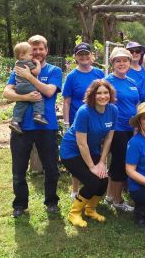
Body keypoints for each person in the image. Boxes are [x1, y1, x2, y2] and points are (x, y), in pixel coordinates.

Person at [3, 35, 62, 218]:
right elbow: (7, 92)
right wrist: (25, 98)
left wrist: (29, 77)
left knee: (51, 169)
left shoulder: (54, 70)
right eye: (33, 49)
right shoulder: (19, 67)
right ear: (28, 51)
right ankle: (20, 204)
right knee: (18, 171)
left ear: (46, 50)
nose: (37, 52)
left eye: (40, 48)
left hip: (46, 127)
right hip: (21, 129)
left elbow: (49, 91)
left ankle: (51, 201)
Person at [60, 79, 118, 227]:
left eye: (106, 92)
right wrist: (92, 167)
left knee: (103, 180)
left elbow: (109, 138)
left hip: (91, 150)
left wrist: (101, 163)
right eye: (99, 93)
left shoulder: (113, 110)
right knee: (92, 181)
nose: (103, 96)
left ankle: (90, 209)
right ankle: (74, 213)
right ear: (92, 95)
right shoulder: (84, 112)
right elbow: (81, 143)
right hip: (71, 151)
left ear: (110, 94)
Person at [62, 42, 105, 200]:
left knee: (94, 152)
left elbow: (105, 95)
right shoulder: (72, 76)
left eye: (87, 54)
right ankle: (75, 189)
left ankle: (94, 184)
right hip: (77, 121)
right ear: (76, 57)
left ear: (91, 56)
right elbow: (66, 100)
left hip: (97, 122)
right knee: (78, 154)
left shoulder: (99, 73)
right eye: (80, 54)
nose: (84, 57)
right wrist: (66, 123)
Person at [104, 47, 139, 211]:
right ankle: (118, 201)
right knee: (120, 162)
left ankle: (110, 196)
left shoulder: (132, 82)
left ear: (130, 63)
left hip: (130, 129)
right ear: (112, 63)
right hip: (115, 129)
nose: (122, 63)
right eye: (118, 61)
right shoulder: (107, 82)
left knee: (119, 161)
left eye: (125, 60)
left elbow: (136, 104)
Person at [9, 41, 47, 135]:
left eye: (41, 49)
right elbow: (36, 72)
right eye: (31, 53)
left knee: (20, 104)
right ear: (22, 55)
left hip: (19, 87)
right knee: (38, 97)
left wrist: (23, 97)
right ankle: (38, 115)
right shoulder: (27, 63)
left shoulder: (17, 63)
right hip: (27, 85)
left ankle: (15, 121)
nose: (33, 55)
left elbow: (49, 91)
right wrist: (37, 64)